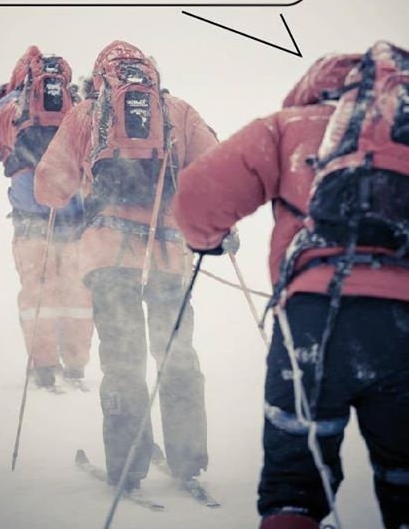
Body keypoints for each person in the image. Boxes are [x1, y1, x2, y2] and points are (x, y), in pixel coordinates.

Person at [173, 45, 409, 529]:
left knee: (295, 486)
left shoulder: (288, 126)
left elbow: (198, 194)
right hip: (403, 324)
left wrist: (206, 241)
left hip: (313, 318)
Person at [34, 40, 218, 490]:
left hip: (108, 257)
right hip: (168, 256)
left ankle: (127, 465)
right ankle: (189, 459)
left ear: (101, 77)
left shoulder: (86, 115)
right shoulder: (178, 112)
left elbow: (49, 187)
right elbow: (215, 171)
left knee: (123, 359)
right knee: (176, 354)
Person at [0, 46, 94, 390]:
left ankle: (43, 368)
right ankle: (75, 366)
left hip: (29, 218)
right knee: (76, 292)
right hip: (75, 216)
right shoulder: (78, 104)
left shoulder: (10, 106)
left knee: (38, 290)